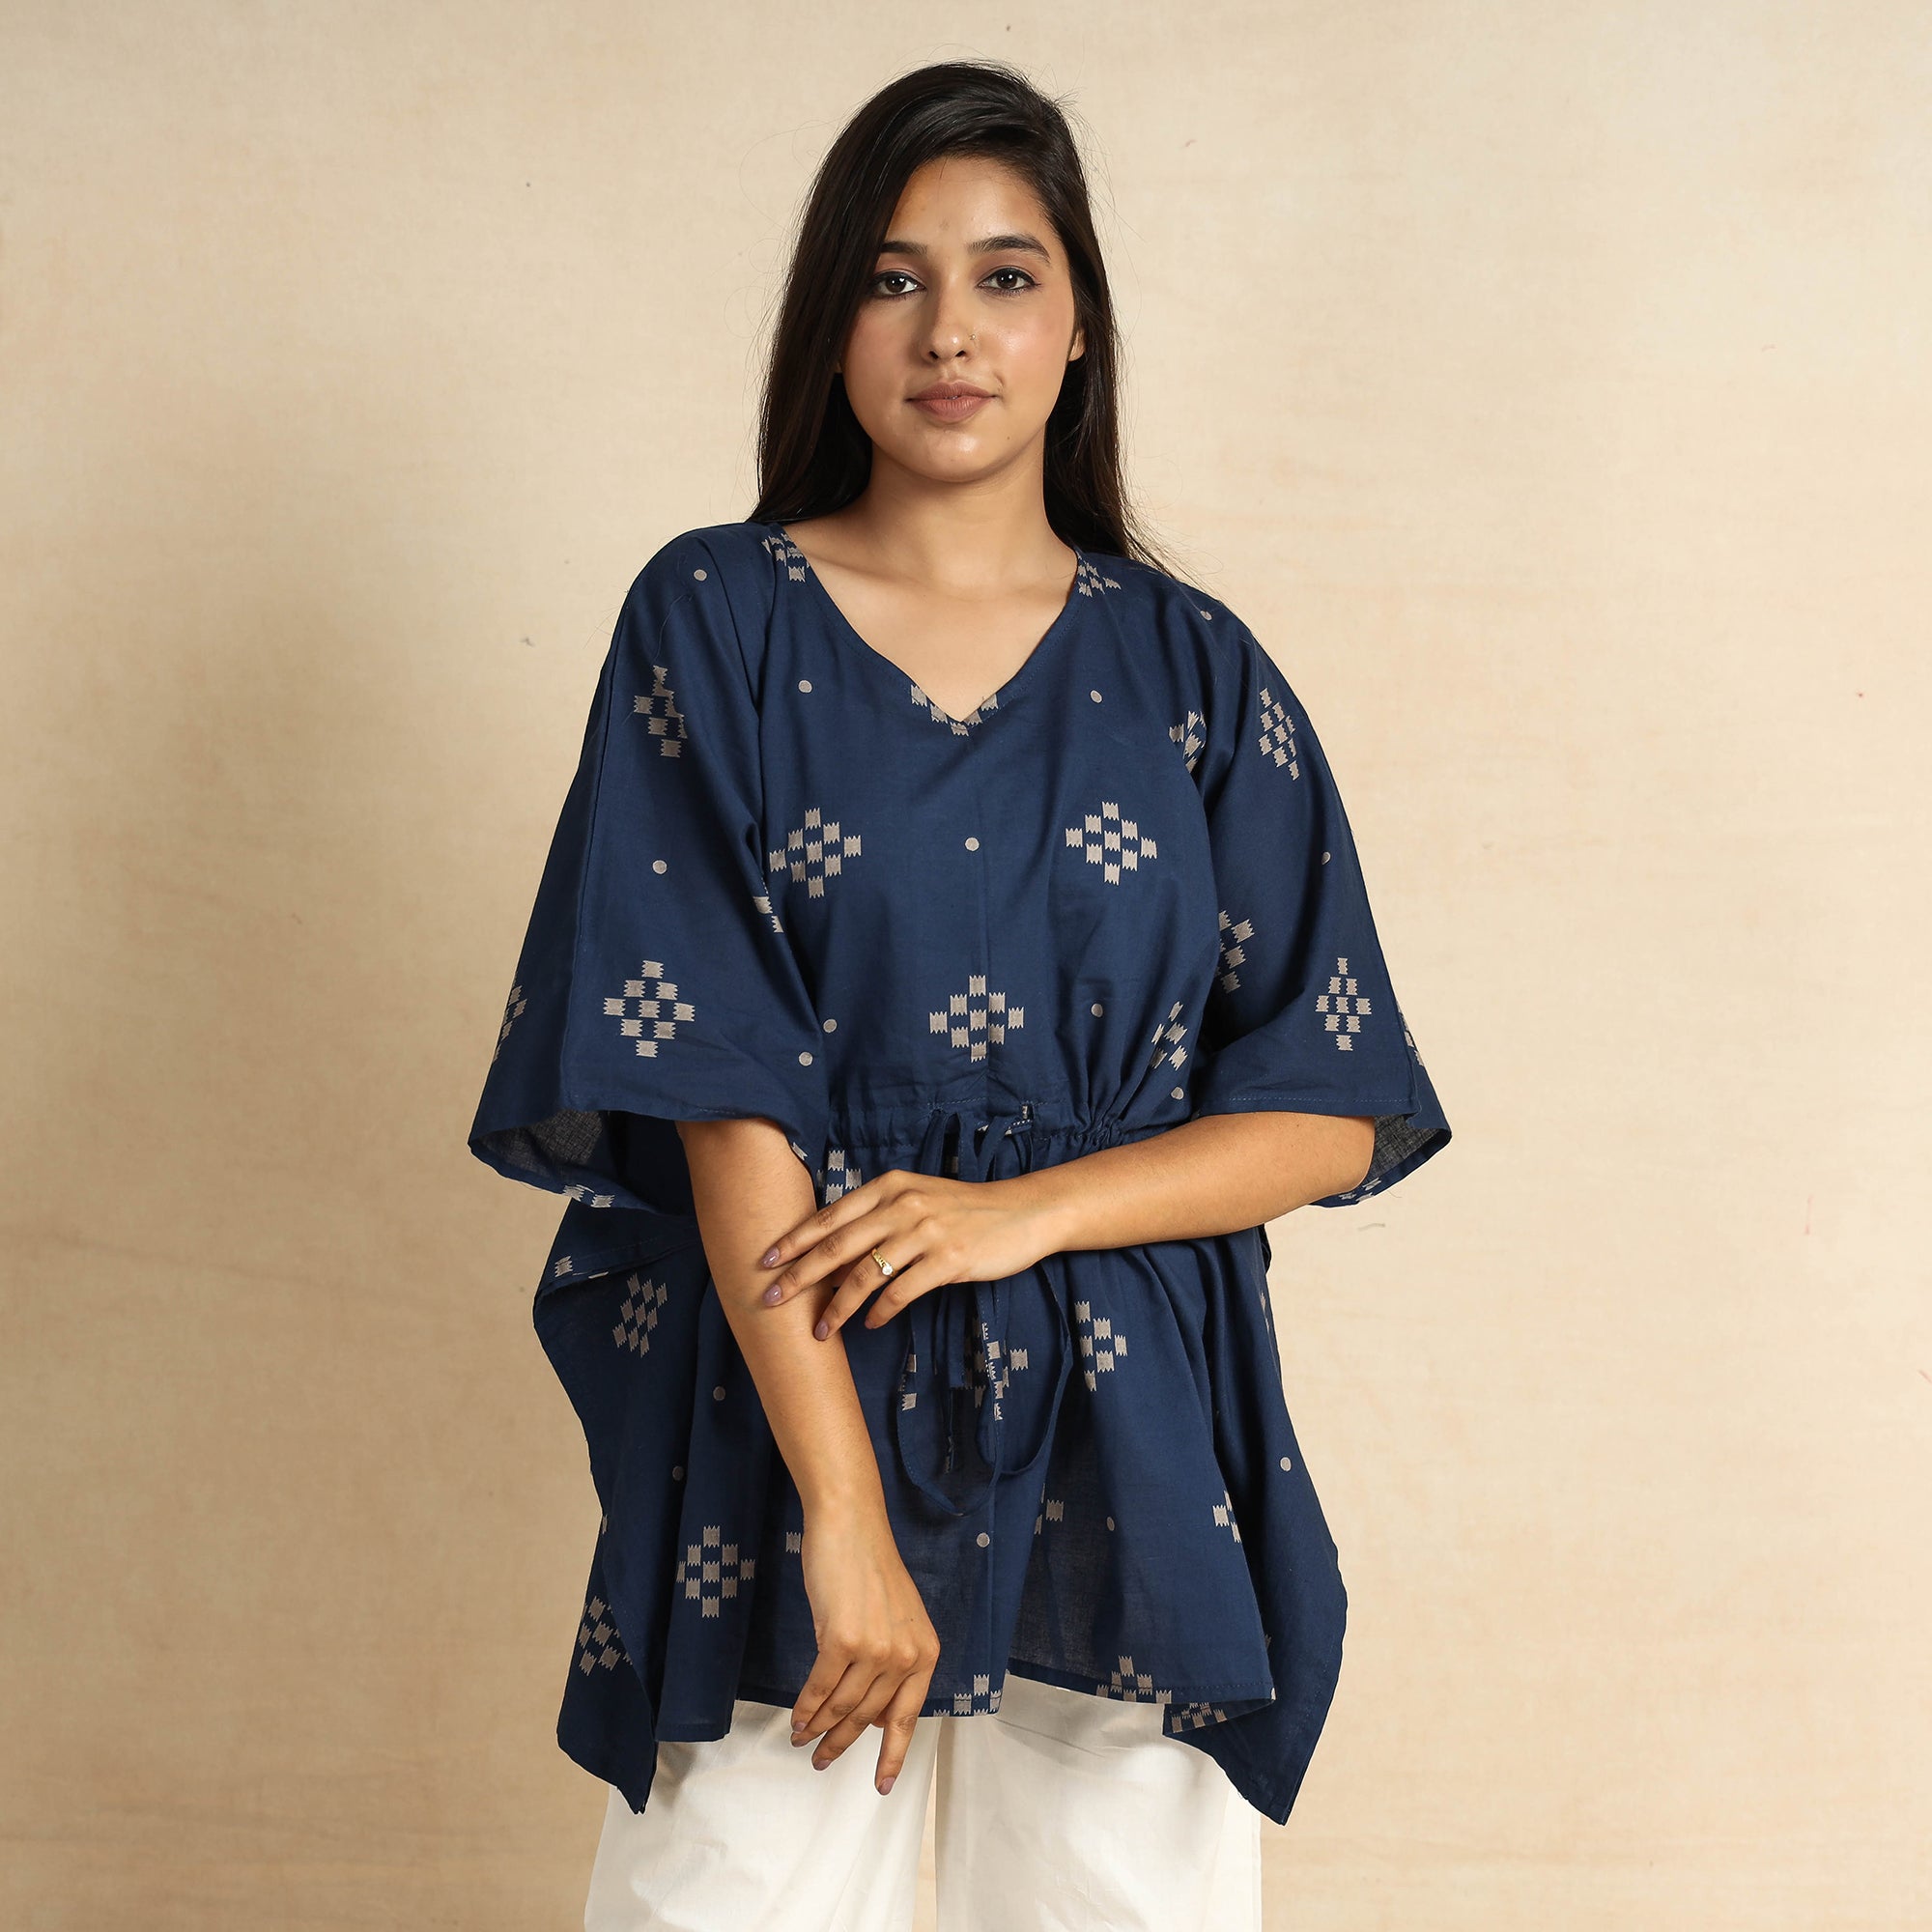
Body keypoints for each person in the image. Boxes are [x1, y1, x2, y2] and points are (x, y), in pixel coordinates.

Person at [469, 57, 1451, 1932]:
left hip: (1134, 1422)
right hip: (794, 1390)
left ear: (1079, 328)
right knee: (726, 1894)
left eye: (1005, 276)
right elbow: (715, 1081)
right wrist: (842, 1511)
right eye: (892, 277)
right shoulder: (715, 619)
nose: (949, 331)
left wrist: (1023, 1213)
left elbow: (1330, 1103)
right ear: (828, 320)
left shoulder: (1194, 669)